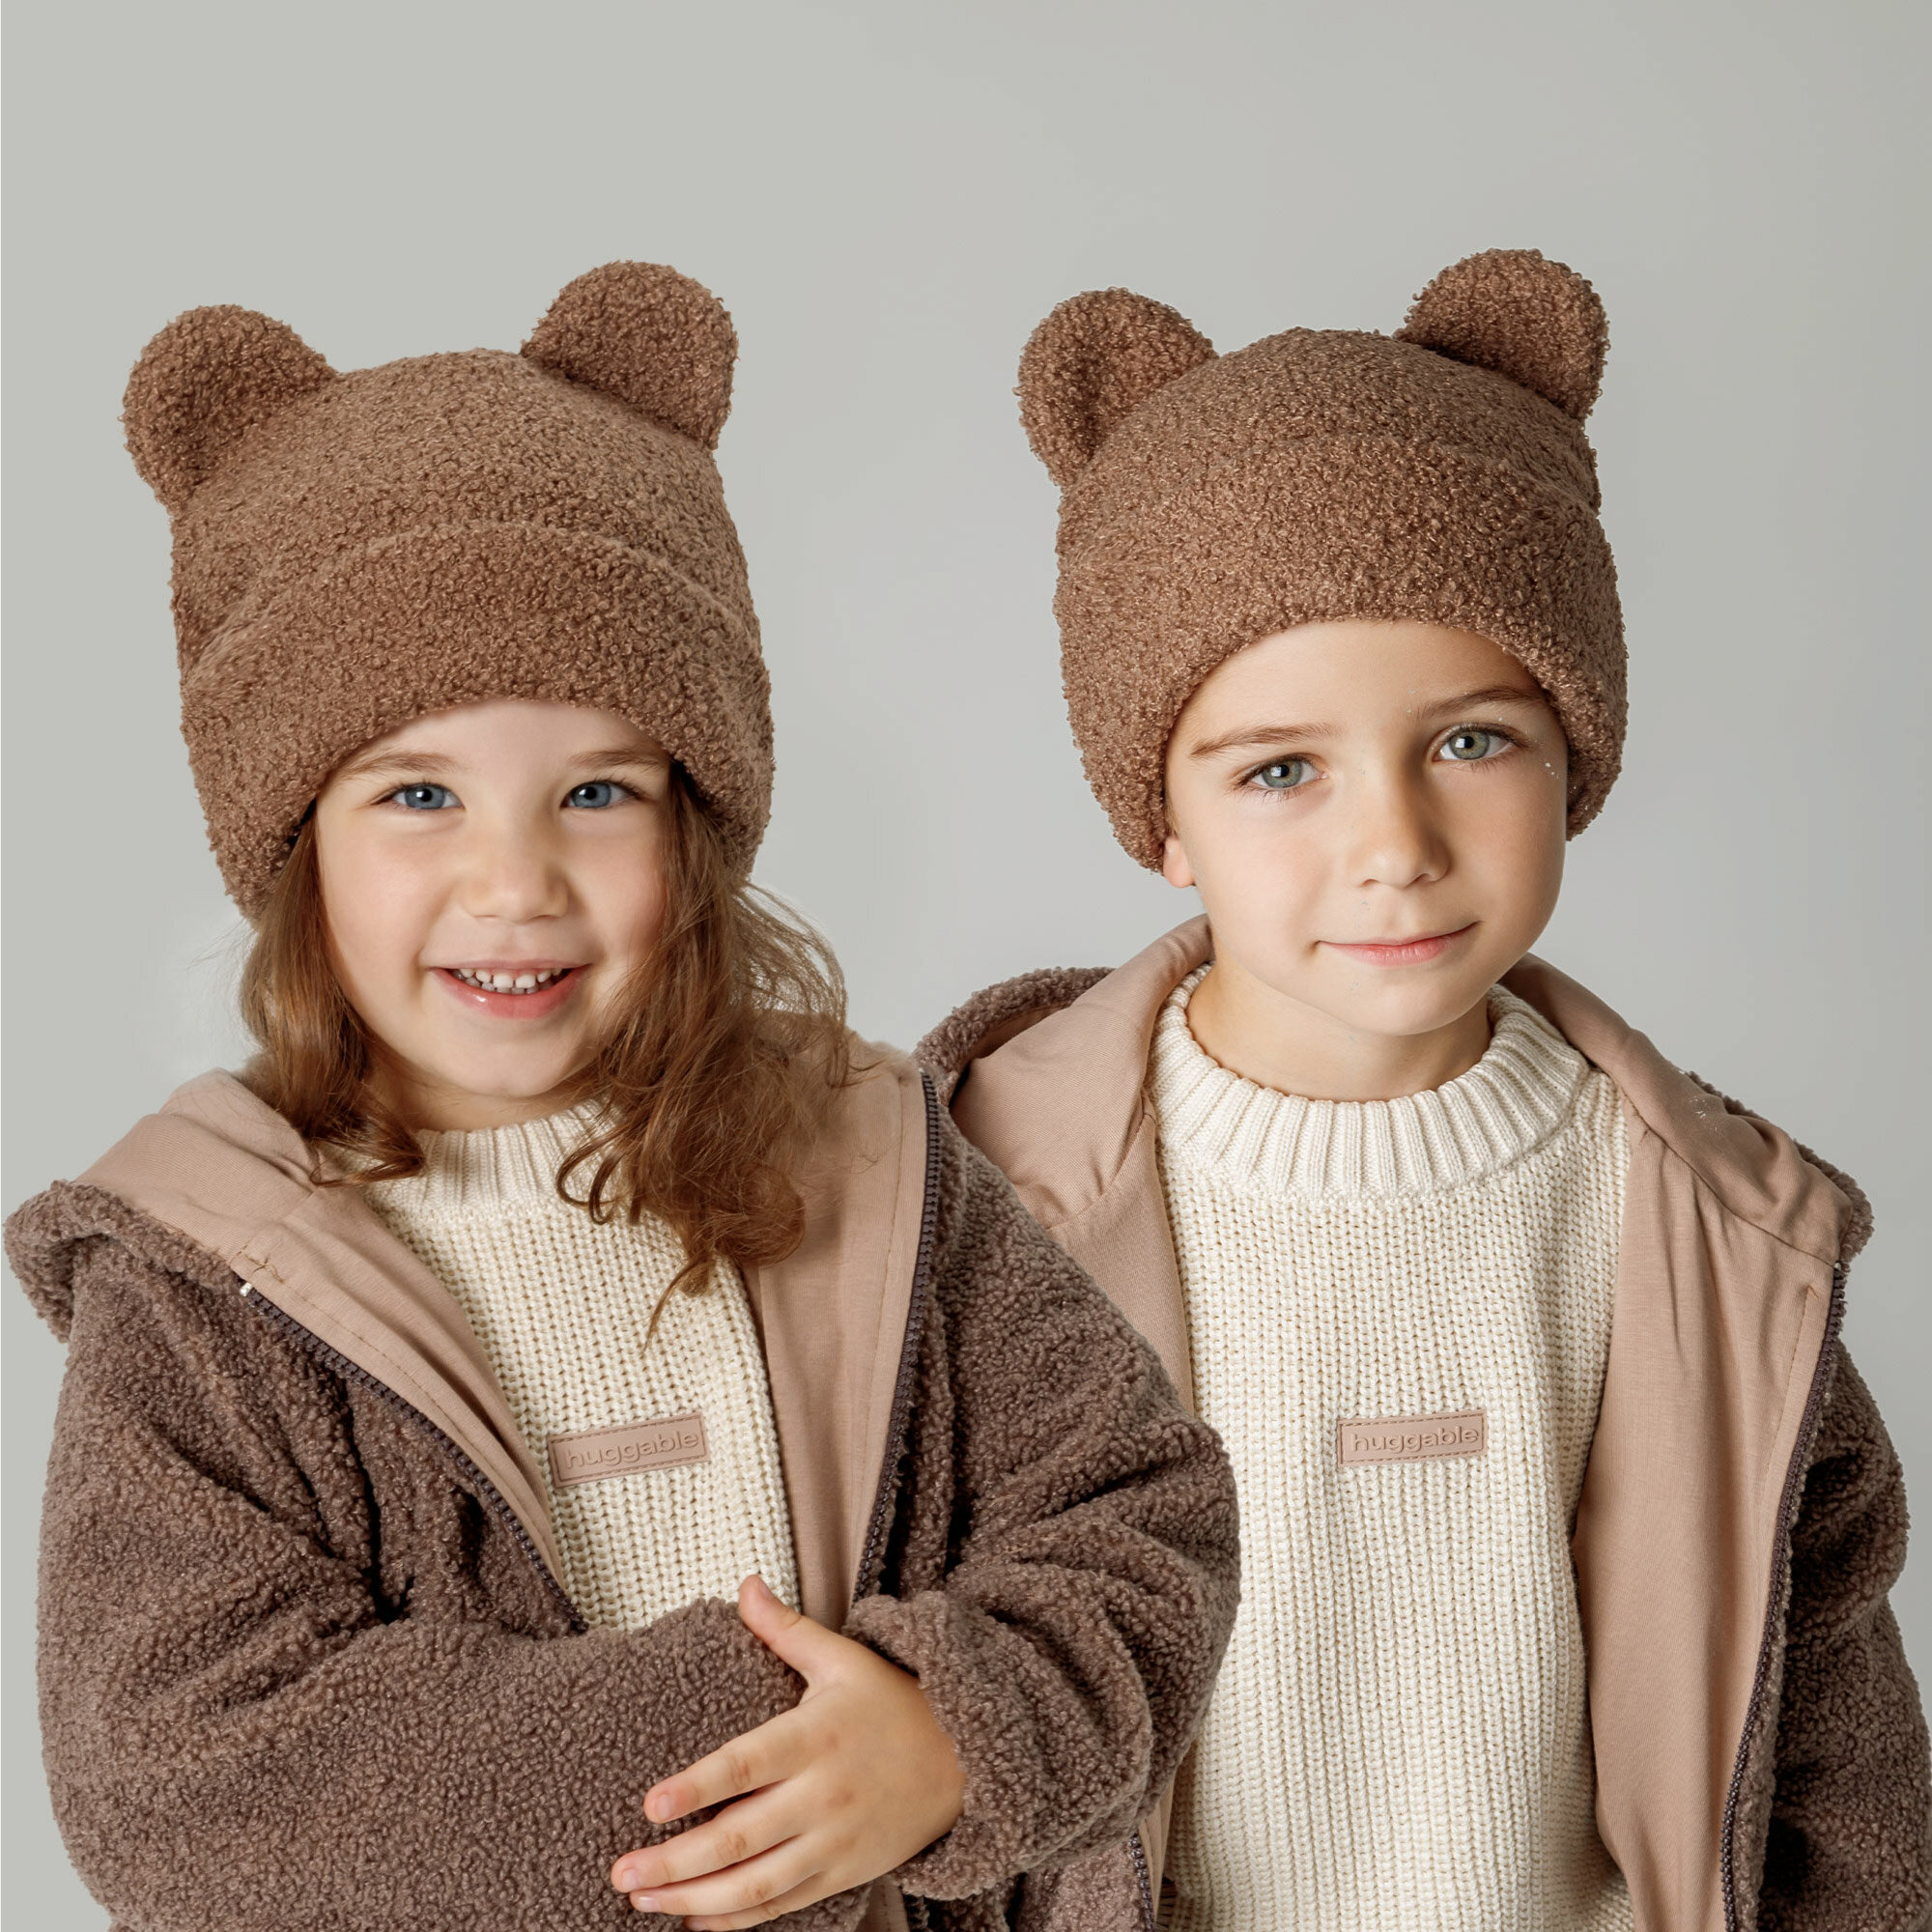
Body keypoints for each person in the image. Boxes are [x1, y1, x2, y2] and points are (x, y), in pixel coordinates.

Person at [5, 263, 1238, 1932]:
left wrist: (954, 1734)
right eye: (418, 796)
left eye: (596, 793)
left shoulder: (873, 1170)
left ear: (694, 830)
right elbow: (186, 1781)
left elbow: (1139, 1517)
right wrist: (793, 1732)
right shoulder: (207, 1287)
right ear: (296, 850)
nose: (515, 882)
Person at [919, 249, 1929, 1932]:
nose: (1393, 844)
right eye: (1281, 770)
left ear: (1574, 758)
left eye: (1472, 741)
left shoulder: (1707, 1220)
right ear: (1163, 821)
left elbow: (1833, 1728)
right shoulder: (980, 1208)